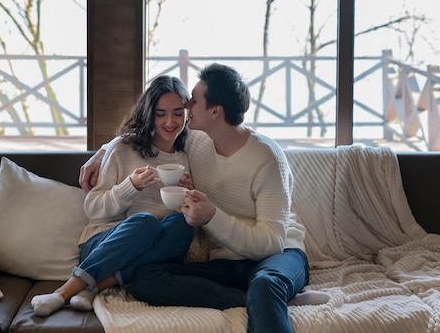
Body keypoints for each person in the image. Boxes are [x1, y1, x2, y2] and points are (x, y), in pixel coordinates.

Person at [80, 64, 328, 333]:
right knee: (145, 279)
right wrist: (104, 151)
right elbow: (147, 132)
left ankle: (267, 296)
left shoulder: (267, 158)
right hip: (226, 261)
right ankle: (265, 300)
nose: (186, 106)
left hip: (279, 255)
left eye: (193, 101)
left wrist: (211, 217)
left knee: (265, 284)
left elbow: (271, 243)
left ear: (215, 111)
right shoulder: (195, 140)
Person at [31, 75, 195, 317]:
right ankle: (64, 292)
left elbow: (178, 219)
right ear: (149, 114)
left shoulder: (189, 152)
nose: (169, 122)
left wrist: (186, 194)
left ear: (187, 114)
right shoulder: (122, 149)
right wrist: (130, 186)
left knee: (183, 225)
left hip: (151, 248)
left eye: (177, 113)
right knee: (145, 221)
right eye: (160, 114)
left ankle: (95, 287)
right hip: (104, 243)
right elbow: (94, 209)